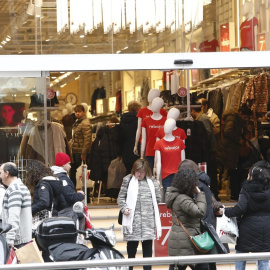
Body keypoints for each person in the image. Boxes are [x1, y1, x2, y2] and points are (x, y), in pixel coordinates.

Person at [220, 166, 270, 270]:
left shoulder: (246, 190)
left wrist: (225, 211)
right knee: (264, 257)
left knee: (241, 254)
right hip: (266, 228)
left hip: (247, 229)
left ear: (251, 177)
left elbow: (239, 209)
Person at [117, 158, 161, 270]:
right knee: (131, 251)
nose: (139, 174)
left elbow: (158, 199)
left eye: (141, 172)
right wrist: (124, 208)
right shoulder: (127, 180)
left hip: (148, 222)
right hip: (132, 221)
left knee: (147, 252)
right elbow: (121, 197)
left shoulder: (152, 182)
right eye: (137, 171)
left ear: (146, 171)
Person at [165, 169, 208, 270]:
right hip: (187, 242)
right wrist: (199, 194)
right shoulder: (182, 199)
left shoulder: (178, 196)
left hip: (181, 241)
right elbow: (200, 212)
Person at [216, 105, 251, 200]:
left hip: (233, 150)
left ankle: (235, 193)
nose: (246, 119)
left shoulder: (239, 121)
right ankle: (234, 194)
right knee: (234, 172)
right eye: (245, 117)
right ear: (240, 113)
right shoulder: (232, 119)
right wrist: (239, 140)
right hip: (229, 150)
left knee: (235, 171)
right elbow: (228, 132)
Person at [0, 162, 32, 249]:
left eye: (1, 173)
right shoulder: (19, 187)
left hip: (18, 241)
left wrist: (9, 240)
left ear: (7, 173)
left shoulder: (15, 190)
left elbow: (14, 217)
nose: (0, 176)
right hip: (21, 238)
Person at [191, 104, 219, 200]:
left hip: (209, 150)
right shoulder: (202, 118)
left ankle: (214, 193)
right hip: (207, 150)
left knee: (211, 171)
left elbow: (208, 134)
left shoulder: (203, 119)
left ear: (193, 111)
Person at [154, 118, 186, 194]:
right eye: (165, 125)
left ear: (173, 127)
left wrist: (184, 175)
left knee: (179, 197)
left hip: (178, 175)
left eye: (168, 126)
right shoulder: (159, 143)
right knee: (169, 198)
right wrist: (158, 178)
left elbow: (183, 161)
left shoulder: (180, 142)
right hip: (166, 176)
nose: (166, 127)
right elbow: (158, 162)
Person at [51, 152, 85, 219]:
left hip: (59, 211)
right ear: (63, 164)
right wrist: (80, 195)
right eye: (69, 163)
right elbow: (70, 197)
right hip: (66, 212)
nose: (70, 166)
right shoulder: (63, 179)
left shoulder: (55, 176)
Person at [141, 97, 166, 172]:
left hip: (163, 152)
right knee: (149, 175)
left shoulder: (166, 120)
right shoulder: (146, 121)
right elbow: (144, 138)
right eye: (152, 104)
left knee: (162, 174)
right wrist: (142, 156)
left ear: (160, 106)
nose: (152, 106)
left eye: (156, 104)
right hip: (150, 152)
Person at [70, 104, 92, 188]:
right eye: (76, 112)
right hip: (76, 151)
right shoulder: (77, 122)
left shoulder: (85, 123)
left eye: (79, 111)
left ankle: (85, 192)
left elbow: (87, 140)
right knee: (76, 172)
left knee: (82, 173)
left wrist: (84, 153)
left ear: (84, 112)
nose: (77, 113)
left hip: (80, 152)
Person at [119, 100, 142, 174]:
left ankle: (129, 185)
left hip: (126, 152)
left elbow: (120, 138)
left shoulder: (123, 120)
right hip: (137, 150)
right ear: (137, 109)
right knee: (139, 173)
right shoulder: (139, 120)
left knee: (129, 173)